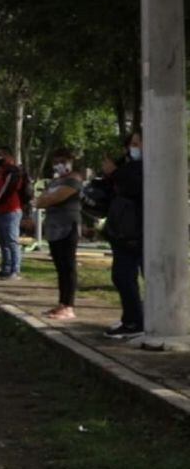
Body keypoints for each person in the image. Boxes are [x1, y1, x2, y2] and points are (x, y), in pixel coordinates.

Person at [102, 132, 144, 339]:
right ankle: (133, 318)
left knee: (126, 276)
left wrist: (115, 173)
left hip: (137, 232)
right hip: (123, 231)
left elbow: (136, 188)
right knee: (122, 276)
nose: (132, 148)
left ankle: (135, 321)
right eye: (131, 144)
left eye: (137, 144)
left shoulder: (147, 167)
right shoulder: (128, 167)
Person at [33, 148, 83, 320]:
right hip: (54, 228)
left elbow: (55, 198)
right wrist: (44, 200)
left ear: (70, 161)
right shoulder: (54, 181)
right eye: (55, 162)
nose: (59, 165)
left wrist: (46, 200)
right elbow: (40, 200)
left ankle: (69, 305)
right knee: (60, 267)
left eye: (62, 161)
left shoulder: (74, 179)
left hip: (68, 226)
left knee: (68, 266)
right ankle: (61, 303)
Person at [0, 147, 24, 280]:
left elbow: (7, 190)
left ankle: (15, 270)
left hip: (11, 209)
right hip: (0, 210)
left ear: (8, 155)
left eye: (1, 155)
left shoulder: (13, 171)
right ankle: (6, 268)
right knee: (2, 241)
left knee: (12, 240)